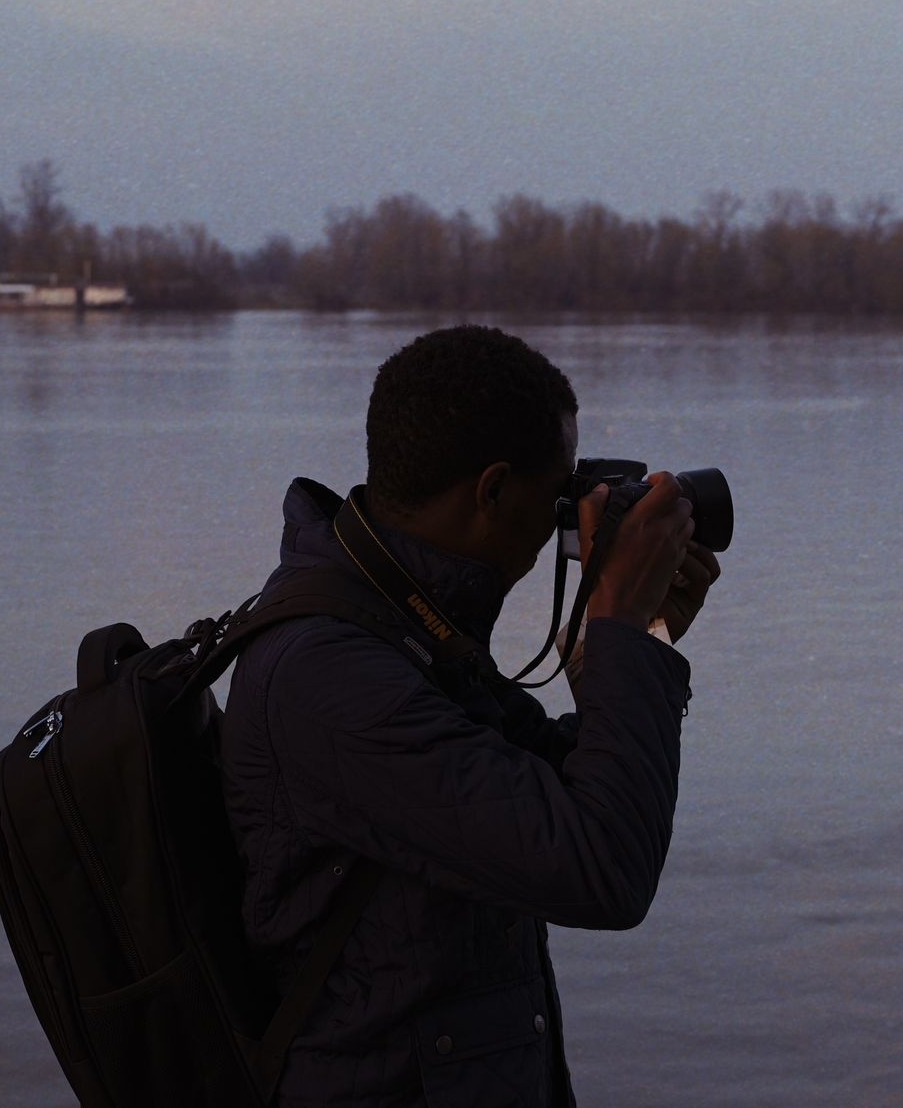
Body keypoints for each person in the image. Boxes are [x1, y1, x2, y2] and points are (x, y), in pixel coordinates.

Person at [222, 324, 720, 1107]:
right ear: (492, 492)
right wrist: (619, 621)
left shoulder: (404, 625)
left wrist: (636, 640)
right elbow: (603, 869)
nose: (572, 517)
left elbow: (559, 793)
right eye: (561, 491)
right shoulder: (330, 676)